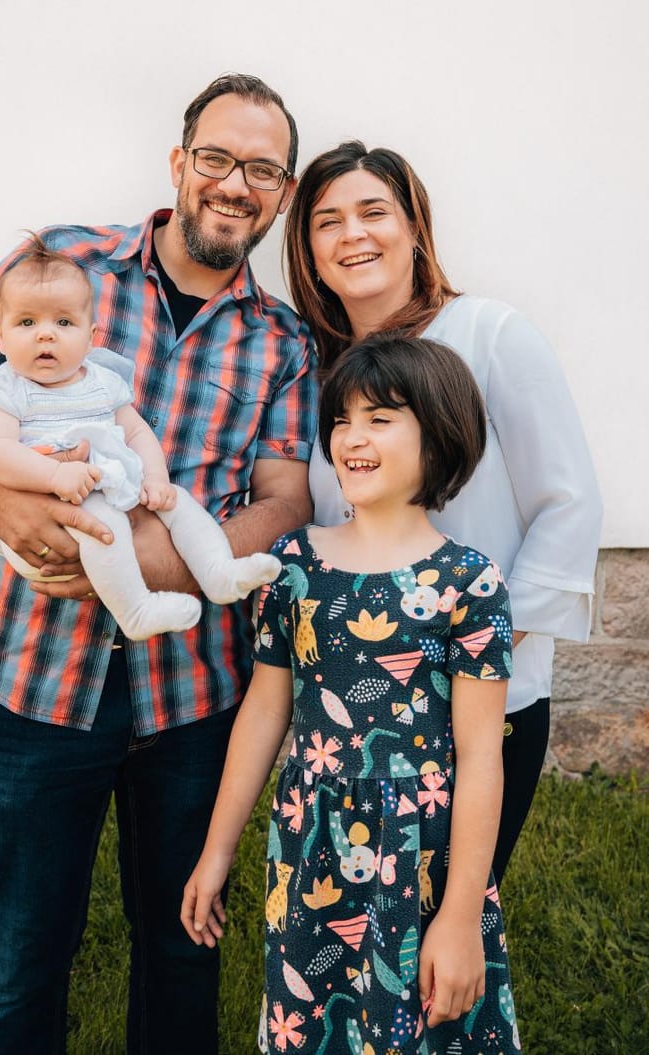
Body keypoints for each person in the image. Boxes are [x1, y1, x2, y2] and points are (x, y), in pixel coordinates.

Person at [0, 73, 317, 1055]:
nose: (234, 182)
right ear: (179, 164)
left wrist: (166, 558)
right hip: (35, 678)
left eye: (262, 168)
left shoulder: (281, 338)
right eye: (216, 157)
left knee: (179, 948)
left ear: (282, 192)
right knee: (17, 958)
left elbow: (286, 500)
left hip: (190, 697)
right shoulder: (60, 267)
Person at [182, 334, 521, 1054]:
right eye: (341, 419)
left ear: (439, 436)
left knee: (423, 1026)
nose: (352, 437)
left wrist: (459, 913)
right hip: (312, 843)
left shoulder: (470, 581)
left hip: (421, 851)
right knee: (315, 1020)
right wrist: (217, 851)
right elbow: (266, 712)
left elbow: (482, 754)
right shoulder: (295, 564)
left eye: (381, 417)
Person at [283, 140, 602, 884]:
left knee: (450, 920)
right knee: (363, 919)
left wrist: (468, 660)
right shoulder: (319, 373)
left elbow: (569, 505)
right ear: (308, 252)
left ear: (416, 229)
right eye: (327, 221)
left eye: (373, 212)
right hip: (358, 712)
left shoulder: (491, 335)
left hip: (483, 707)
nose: (352, 234)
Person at [0, 232, 282, 639]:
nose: (46, 334)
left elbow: (135, 430)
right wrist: (55, 477)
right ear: (1, 336)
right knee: (105, 521)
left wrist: (154, 478)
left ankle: (217, 572)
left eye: (63, 322)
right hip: (46, 513)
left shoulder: (102, 379)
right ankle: (136, 610)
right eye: (27, 322)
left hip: (109, 482)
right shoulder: (4, 389)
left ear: (91, 335)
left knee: (177, 503)